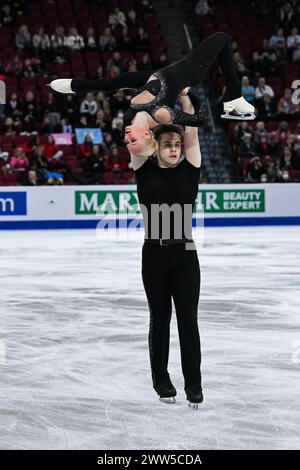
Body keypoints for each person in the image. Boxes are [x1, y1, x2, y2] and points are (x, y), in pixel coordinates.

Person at [49, 32, 255, 157]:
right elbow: (198, 119)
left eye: (127, 142)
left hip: (157, 77)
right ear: (147, 134)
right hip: (186, 72)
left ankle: (74, 85)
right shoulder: (161, 115)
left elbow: (120, 85)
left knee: (115, 82)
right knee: (222, 39)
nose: (127, 138)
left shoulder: (130, 119)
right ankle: (233, 97)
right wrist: (187, 96)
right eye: (133, 141)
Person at [130, 90, 203, 409]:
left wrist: (184, 100)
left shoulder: (191, 169)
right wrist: (159, 102)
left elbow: (193, 133)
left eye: (177, 144)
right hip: (154, 256)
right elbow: (139, 123)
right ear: (156, 146)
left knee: (188, 319)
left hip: (185, 256)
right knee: (159, 319)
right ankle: (161, 380)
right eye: (167, 144)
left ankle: (194, 385)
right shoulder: (143, 167)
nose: (174, 148)